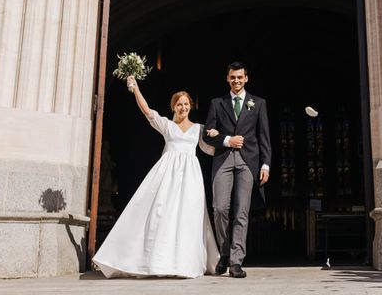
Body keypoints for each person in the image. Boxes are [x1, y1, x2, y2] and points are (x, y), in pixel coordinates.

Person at [92, 75, 219, 278]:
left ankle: (185, 263)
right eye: (179, 104)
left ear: (191, 106)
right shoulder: (167, 125)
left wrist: (219, 138)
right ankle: (158, 261)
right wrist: (135, 88)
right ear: (173, 107)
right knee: (162, 213)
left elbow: (211, 150)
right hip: (167, 176)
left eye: (186, 104)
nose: (183, 107)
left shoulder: (199, 129)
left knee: (188, 216)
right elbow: (147, 111)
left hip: (190, 178)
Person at [202, 62, 272, 278]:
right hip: (223, 160)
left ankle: (235, 262)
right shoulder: (217, 103)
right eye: (233, 77)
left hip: (248, 162)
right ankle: (224, 253)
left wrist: (265, 164)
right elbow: (207, 135)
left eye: (240, 77)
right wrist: (227, 140)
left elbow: (264, 136)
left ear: (246, 78)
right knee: (220, 209)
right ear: (227, 79)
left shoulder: (258, 103)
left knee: (242, 212)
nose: (236, 81)